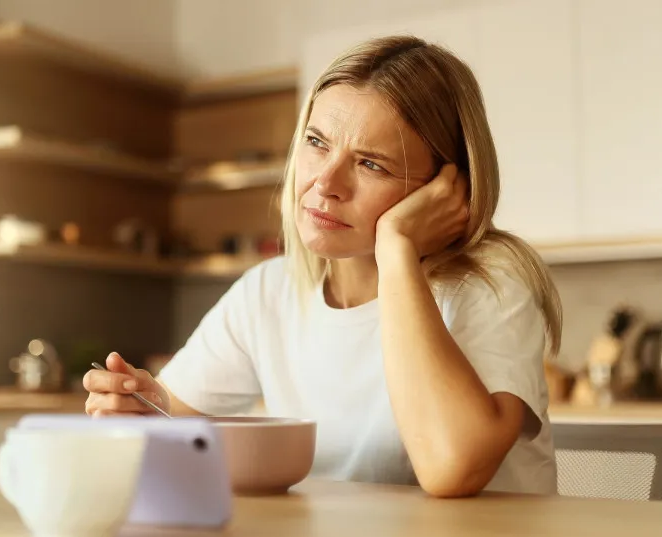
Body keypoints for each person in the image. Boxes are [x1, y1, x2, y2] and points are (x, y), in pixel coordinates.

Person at [83, 35, 562, 498]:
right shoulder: (269, 291)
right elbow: (175, 420)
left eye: (371, 164)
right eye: (317, 142)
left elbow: (450, 467)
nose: (325, 183)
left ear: (445, 187)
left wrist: (396, 251)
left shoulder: (492, 284)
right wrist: (138, 412)